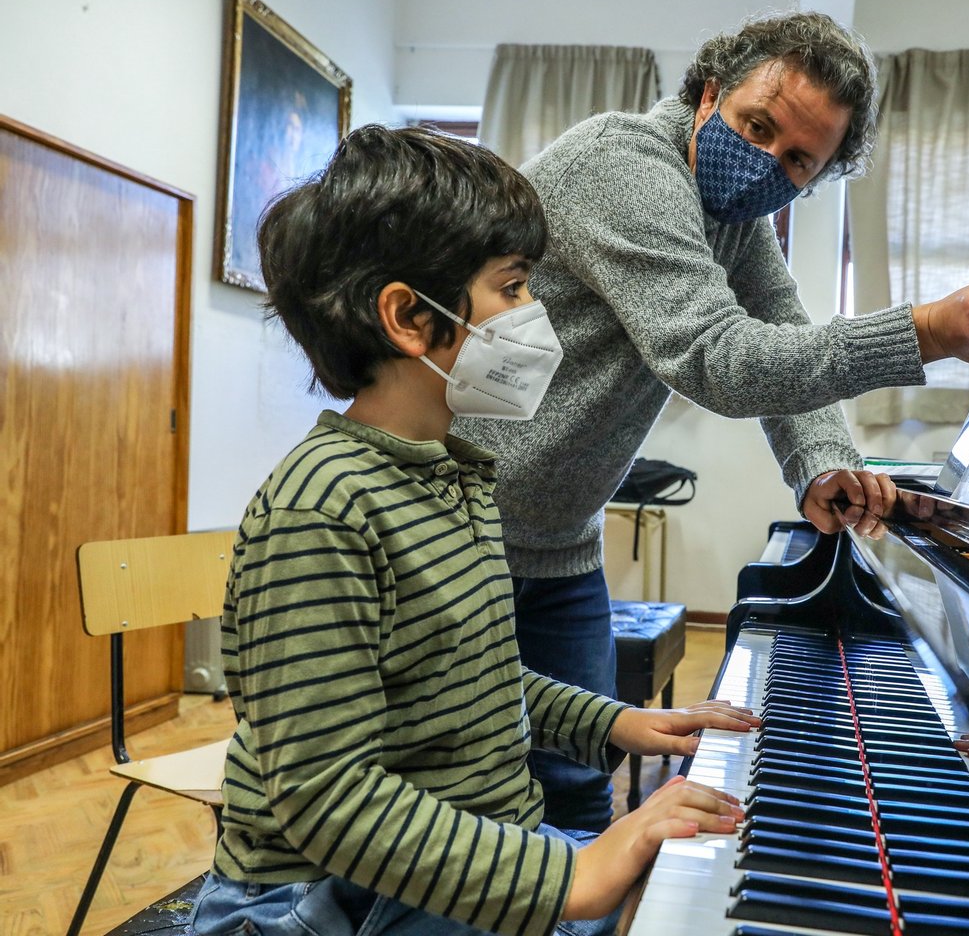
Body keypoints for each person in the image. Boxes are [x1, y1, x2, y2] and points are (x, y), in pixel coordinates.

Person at [451, 11, 969, 833]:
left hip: (558, 543)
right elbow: (719, 357)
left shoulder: (732, 219)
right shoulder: (623, 162)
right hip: (459, 533)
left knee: (578, 792)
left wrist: (823, 463)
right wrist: (929, 331)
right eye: (757, 126)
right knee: (469, 794)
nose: (768, 161)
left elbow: (781, 332)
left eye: (798, 159)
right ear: (709, 94)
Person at [189, 124, 759, 936]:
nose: (537, 313)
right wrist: (575, 874)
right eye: (516, 286)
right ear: (409, 320)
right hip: (331, 901)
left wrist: (619, 723)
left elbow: (470, 676)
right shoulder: (322, 510)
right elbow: (327, 799)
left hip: (462, 854)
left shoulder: (452, 474)